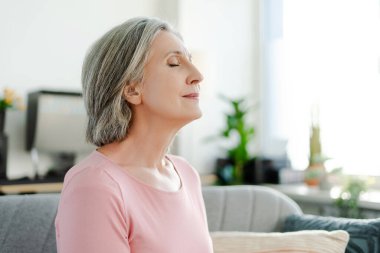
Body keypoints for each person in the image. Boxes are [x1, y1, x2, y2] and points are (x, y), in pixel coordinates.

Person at [55, 17, 213, 253]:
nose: (198, 75)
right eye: (174, 63)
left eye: (190, 61)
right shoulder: (94, 185)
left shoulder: (187, 175)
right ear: (131, 89)